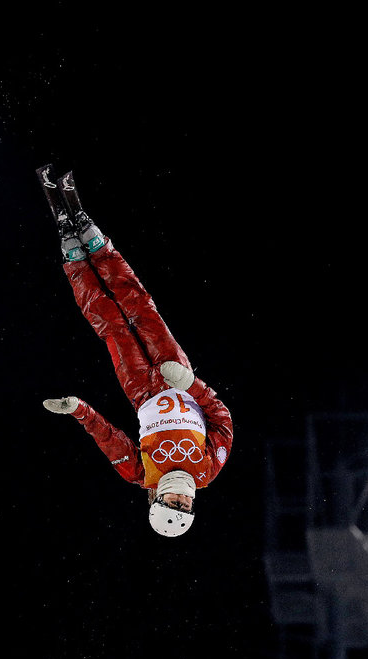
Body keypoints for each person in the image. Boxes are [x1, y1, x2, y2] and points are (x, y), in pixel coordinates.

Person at [37, 165, 233, 537]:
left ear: (158, 500)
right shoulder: (210, 468)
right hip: (177, 377)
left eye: (175, 505)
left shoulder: (140, 473)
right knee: (141, 309)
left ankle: (75, 256)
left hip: (140, 387)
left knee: (110, 323)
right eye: (187, 508)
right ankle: (97, 242)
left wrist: (79, 410)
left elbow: (109, 437)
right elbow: (222, 420)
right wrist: (191, 384)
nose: (185, 500)